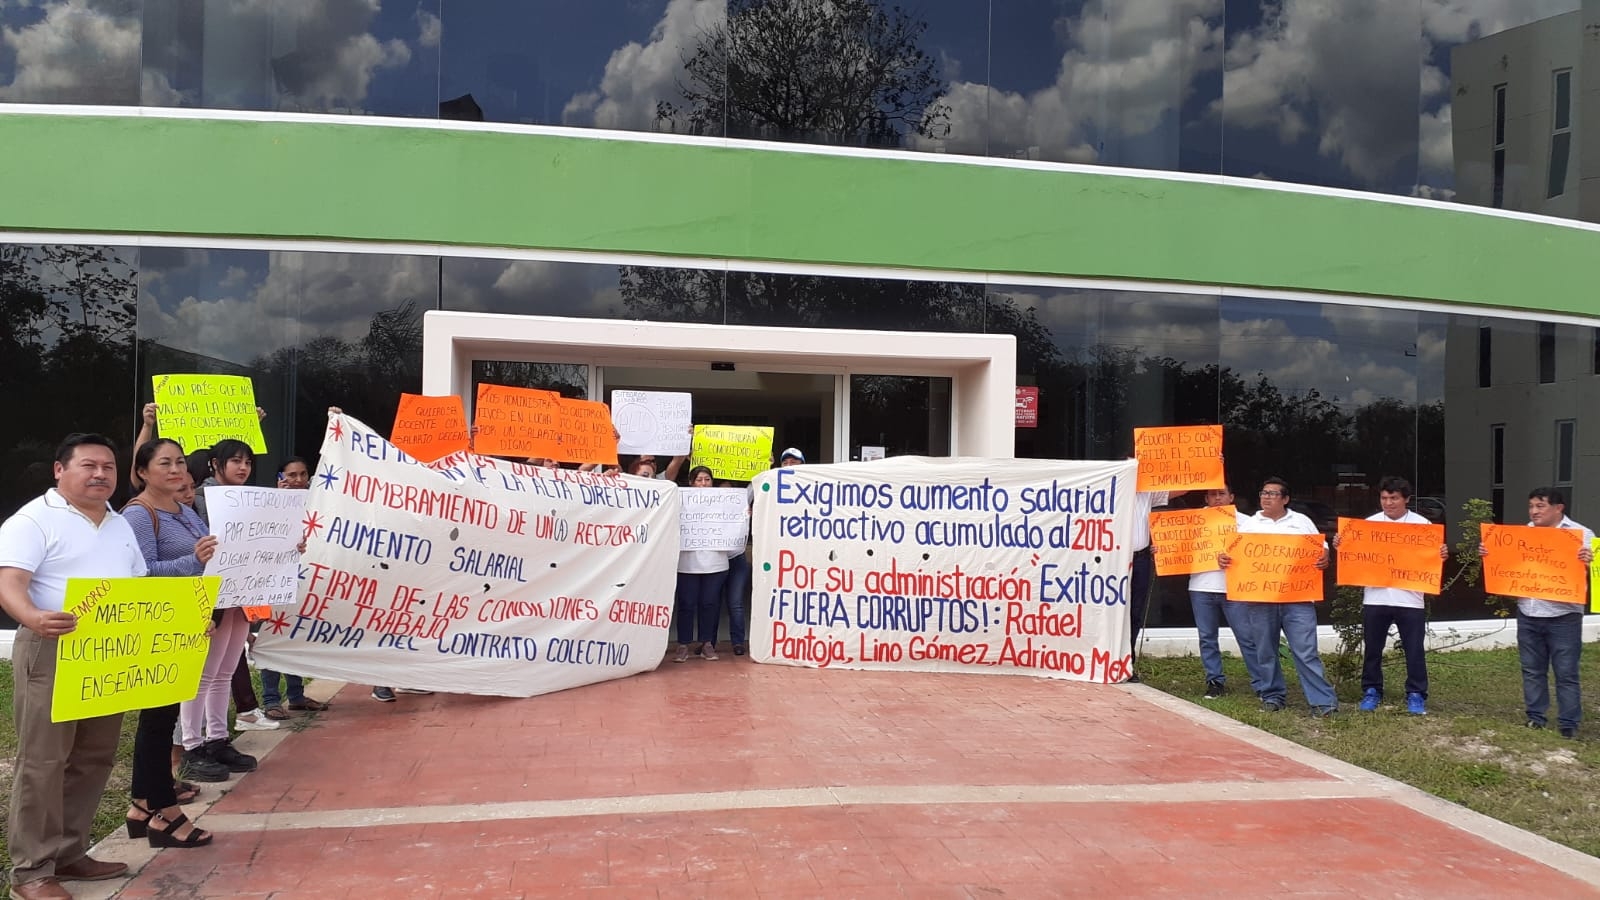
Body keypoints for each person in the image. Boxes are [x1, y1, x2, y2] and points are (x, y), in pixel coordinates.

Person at [1, 434, 147, 898]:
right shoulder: (33, 520)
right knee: (44, 760)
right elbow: (10, 583)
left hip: (109, 652)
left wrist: (185, 626)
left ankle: (70, 851)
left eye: (108, 466)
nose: (101, 473)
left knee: (94, 756)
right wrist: (32, 617)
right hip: (53, 647)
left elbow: (140, 590)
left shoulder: (120, 524)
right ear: (60, 471)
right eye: (88, 465)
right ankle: (31, 871)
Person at [120, 438, 219, 846]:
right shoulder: (139, 515)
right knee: (158, 720)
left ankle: (143, 804)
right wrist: (193, 560)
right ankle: (165, 812)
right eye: (165, 463)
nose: (177, 470)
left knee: (162, 717)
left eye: (180, 462)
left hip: (187, 622)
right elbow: (140, 574)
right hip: (158, 627)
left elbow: (214, 556)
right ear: (143, 471)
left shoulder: (185, 511)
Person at [182, 441, 272, 777]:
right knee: (204, 674)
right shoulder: (200, 500)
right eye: (236, 461)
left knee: (225, 670)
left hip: (241, 593)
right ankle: (192, 746)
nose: (243, 467)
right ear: (216, 464)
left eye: (248, 461)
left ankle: (217, 739)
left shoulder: (251, 498)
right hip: (213, 595)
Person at [1219, 477, 1337, 717]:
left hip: (1298, 599)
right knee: (1265, 650)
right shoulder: (1249, 525)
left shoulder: (1301, 522)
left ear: (1285, 499)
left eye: (1273, 494)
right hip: (1260, 599)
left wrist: (1325, 558)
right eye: (1264, 493)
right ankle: (1272, 696)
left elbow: (1320, 551)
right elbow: (1232, 555)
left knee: (1305, 650)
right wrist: (1223, 560)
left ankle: (1323, 702)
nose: (1266, 497)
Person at [1483, 487, 1594, 738]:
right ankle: (1535, 716)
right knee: (1532, 669)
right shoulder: (1524, 534)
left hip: (1563, 616)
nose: (1534, 511)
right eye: (1531, 506)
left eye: (1540, 506)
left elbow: (1595, 575)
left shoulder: (1580, 535)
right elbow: (1510, 564)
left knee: (1566, 671)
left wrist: (1591, 562)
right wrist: (1491, 554)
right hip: (1529, 612)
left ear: (1558, 508)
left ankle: (1568, 723)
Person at [1335, 477, 1449, 716]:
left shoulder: (1422, 525)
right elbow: (1353, 554)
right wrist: (1341, 544)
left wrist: (1441, 553)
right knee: (1373, 649)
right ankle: (1371, 690)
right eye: (1384, 498)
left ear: (1406, 499)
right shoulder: (1369, 525)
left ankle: (1416, 693)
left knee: (1414, 649)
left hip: (1410, 599)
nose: (1388, 503)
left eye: (1394, 498)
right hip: (1375, 598)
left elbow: (1432, 558)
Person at [260, 457, 328, 719]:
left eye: (302, 474)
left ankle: (296, 695)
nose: (298, 480)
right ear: (280, 477)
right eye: (291, 475)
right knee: (273, 634)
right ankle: (270, 700)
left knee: (294, 633)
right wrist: (279, 502)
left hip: (305, 578)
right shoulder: (268, 504)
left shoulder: (317, 502)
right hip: (273, 579)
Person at [1179, 483, 1259, 699]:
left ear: (1231, 496)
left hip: (1234, 588)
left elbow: (1259, 551)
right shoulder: (1193, 520)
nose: (1217, 498)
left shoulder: (1246, 522)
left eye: (1221, 493)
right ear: (1206, 498)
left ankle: (1262, 684)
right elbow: (1178, 546)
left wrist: (1236, 557)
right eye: (1212, 494)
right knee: (1207, 638)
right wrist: (1161, 548)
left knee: (1247, 637)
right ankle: (1214, 681)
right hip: (1200, 586)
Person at [673, 466, 734, 662]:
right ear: (691, 483)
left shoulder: (724, 503)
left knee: (710, 604)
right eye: (699, 480)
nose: (703, 484)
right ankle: (683, 644)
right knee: (686, 604)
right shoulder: (680, 502)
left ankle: (707, 643)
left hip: (715, 565)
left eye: (707, 479)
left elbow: (745, 499)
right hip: (687, 564)